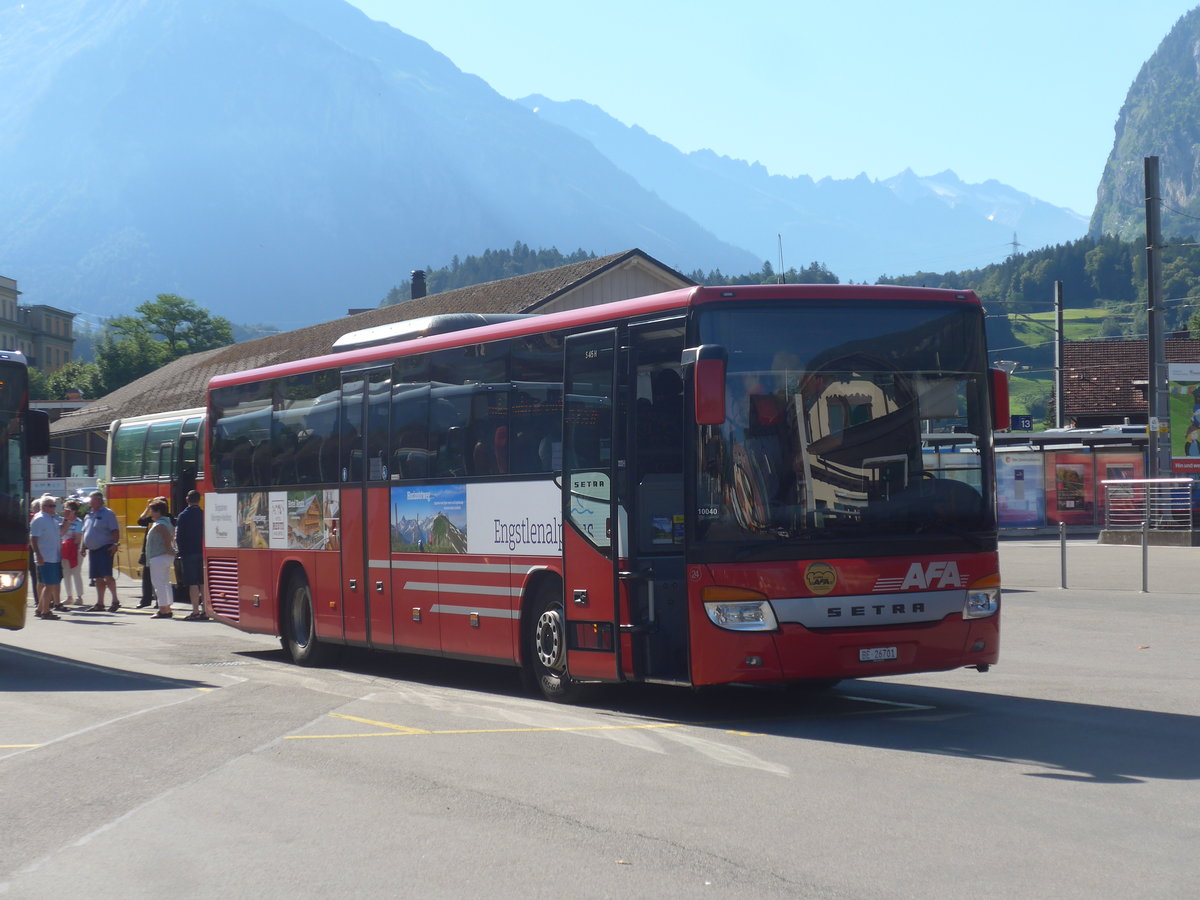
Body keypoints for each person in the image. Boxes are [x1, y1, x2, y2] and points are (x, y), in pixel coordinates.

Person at [81, 490, 120, 612]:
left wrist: (114, 544)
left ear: (98, 500)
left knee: (107, 575)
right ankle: (100, 602)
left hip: (104, 547)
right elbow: (84, 532)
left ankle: (115, 600)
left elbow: (115, 530)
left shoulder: (108, 514)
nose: (90, 503)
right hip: (93, 550)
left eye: (91, 500)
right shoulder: (89, 514)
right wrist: (82, 546)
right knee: (97, 577)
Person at [29, 495, 65, 620]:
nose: (54, 508)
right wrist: (38, 554)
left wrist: (67, 520)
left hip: (53, 556)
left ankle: (40, 609)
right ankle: (45, 611)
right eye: (51, 505)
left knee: (49, 584)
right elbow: (33, 539)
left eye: (54, 505)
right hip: (45, 556)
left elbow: (61, 533)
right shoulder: (39, 519)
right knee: (49, 585)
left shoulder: (52, 519)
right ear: (44, 507)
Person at [174, 490, 208, 620]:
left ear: (187, 500)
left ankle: (195, 611)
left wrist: (180, 551)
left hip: (188, 553)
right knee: (203, 582)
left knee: (192, 583)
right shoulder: (203, 514)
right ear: (199, 500)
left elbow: (179, 536)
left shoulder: (183, 516)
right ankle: (205, 610)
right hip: (202, 552)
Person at [135, 496, 170, 609]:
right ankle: (146, 599)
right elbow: (140, 520)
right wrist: (147, 508)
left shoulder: (167, 519)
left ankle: (160, 602)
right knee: (147, 577)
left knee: (159, 580)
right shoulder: (152, 518)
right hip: (148, 551)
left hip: (159, 552)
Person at [144, 500, 176, 618]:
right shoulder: (167, 522)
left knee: (158, 583)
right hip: (164, 556)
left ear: (158, 512)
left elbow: (167, 536)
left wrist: (168, 548)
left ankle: (163, 609)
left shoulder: (160, 524)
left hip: (158, 556)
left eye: (152, 511)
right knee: (165, 582)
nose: (151, 514)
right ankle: (167, 608)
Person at [60, 498, 85, 606]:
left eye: (68, 509)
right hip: (65, 549)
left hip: (76, 550)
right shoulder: (64, 520)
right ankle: (69, 596)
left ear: (73, 511)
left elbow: (78, 538)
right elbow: (61, 533)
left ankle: (79, 597)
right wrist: (67, 521)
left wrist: (69, 538)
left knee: (76, 572)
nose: (66, 511)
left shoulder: (79, 522)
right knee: (66, 573)